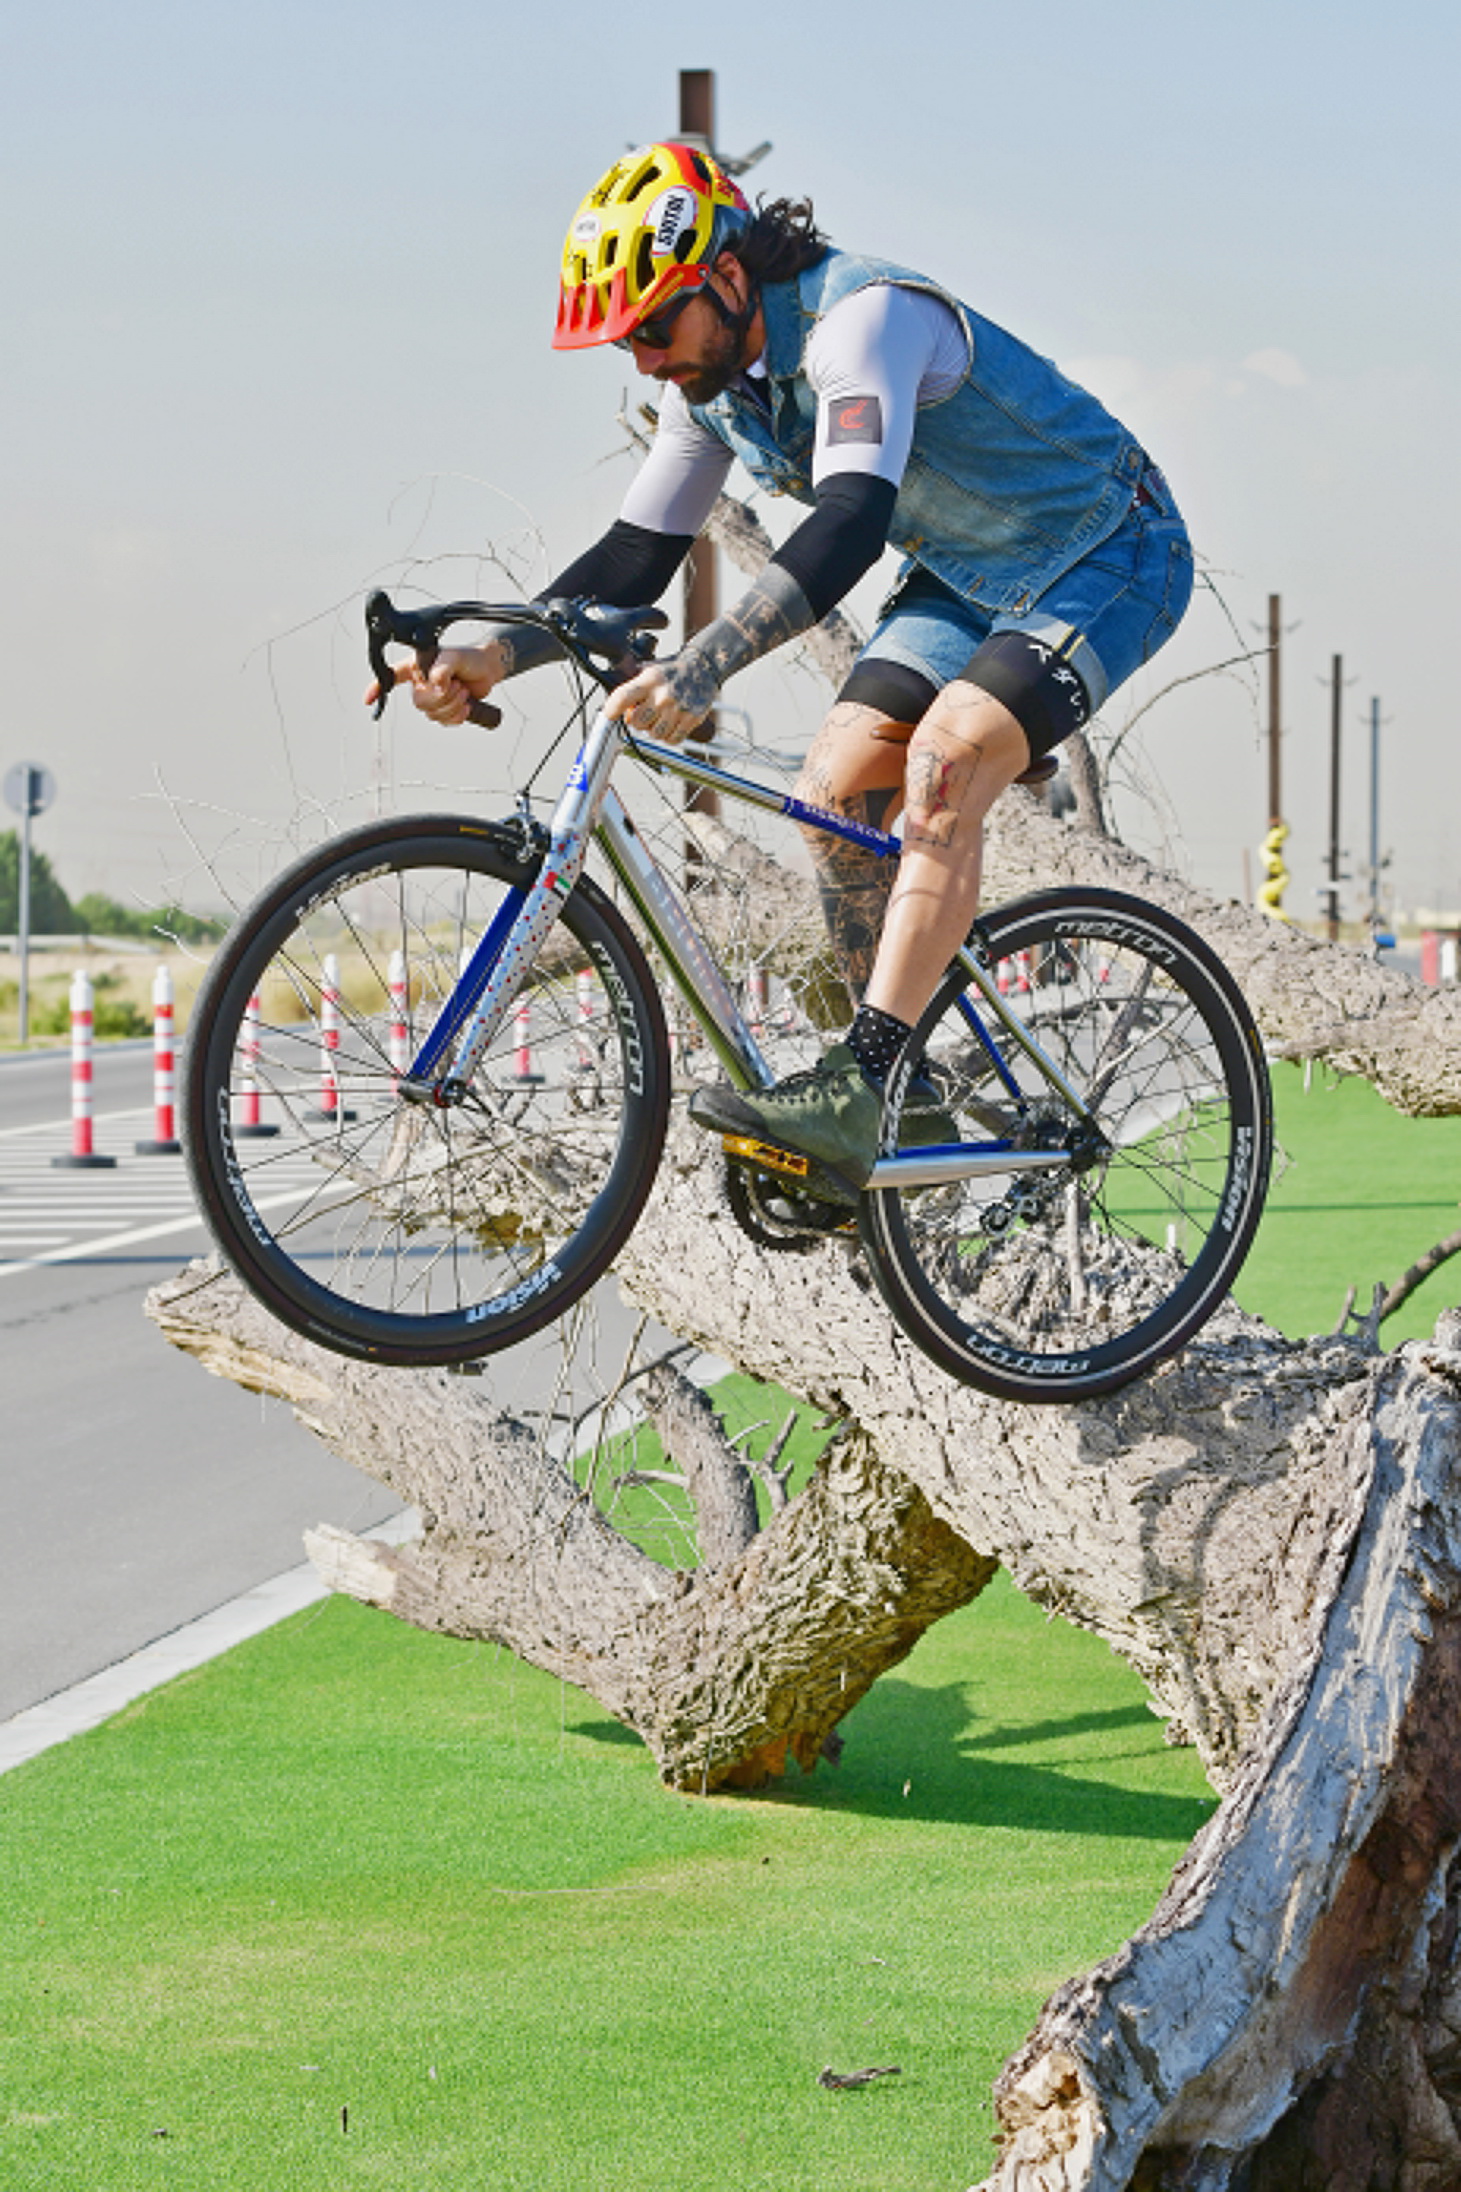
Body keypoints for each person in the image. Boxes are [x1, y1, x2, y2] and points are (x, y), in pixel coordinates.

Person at [386, 142, 1193, 1201]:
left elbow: (851, 520)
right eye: (625, 341)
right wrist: (492, 653)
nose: (643, 361)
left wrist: (704, 666)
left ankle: (859, 1085)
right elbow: (636, 555)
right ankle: (906, 1106)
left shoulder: (861, 321)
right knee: (830, 795)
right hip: (965, 576)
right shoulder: (711, 389)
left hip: (1108, 549)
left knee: (942, 764)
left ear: (726, 277)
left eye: (653, 328)